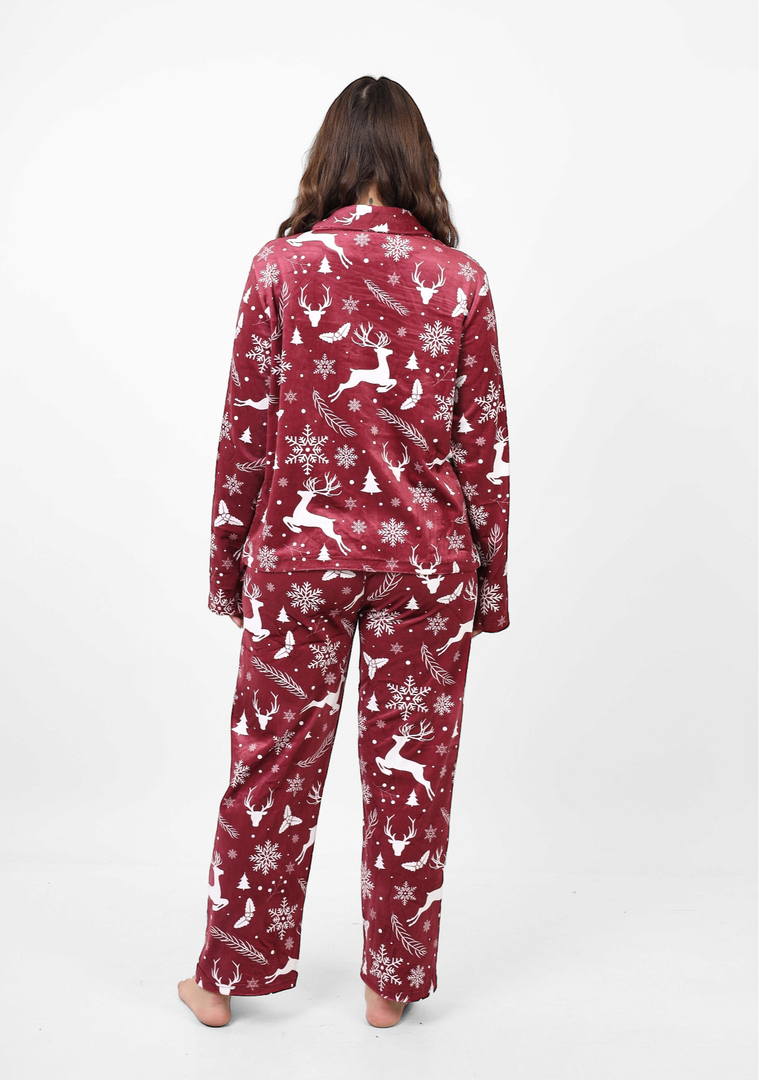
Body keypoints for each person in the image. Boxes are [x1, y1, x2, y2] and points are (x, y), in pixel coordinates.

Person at [178, 75, 510, 1030]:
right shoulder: (459, 281)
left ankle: (226, 977)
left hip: (298, 558)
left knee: (270, 767)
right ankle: (389, 986)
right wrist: (487, 588)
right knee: (414, 774)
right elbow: (483, 448)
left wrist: (228, 567)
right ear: (415, 162)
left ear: (329, 159)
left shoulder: (280, 269)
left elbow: (245, 430)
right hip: (426, 563)